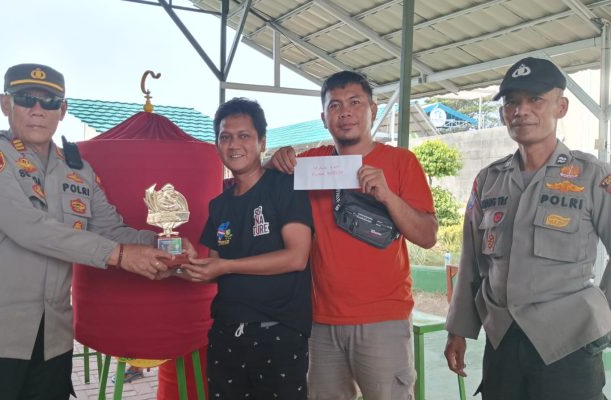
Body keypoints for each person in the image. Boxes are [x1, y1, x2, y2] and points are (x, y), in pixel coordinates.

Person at [0, 63, 195, 400]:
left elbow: (110, 229)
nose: (37, 110)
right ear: (5, 104)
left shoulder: (79, 170)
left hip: (51, 339)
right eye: (25, 98)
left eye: (49, 102)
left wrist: (164, 243)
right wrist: (120, 256)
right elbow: (27, 227)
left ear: (62, 110)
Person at [444, 57, 611, 400]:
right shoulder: (488, 180)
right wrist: (457, 329)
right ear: (503, 113)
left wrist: (603, 316)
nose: (521, 111)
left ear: (561, 107)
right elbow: (471, 262)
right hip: (502, 340)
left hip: (568, 343)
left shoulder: (592, 176)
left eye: (535, 99)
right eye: (512, 102)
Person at [268, 71, 438, 400]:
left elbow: (428, 235)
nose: (345, 112)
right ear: (324, 118)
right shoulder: (311, 163)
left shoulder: (401, 162)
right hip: (321, 321)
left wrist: (388, 197)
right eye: (335, 105)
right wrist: (274, 160)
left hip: (383, 319)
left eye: (355, 102)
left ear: (372, 110)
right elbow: (262, 177)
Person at [182, 98, 314, 399]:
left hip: (278, 331)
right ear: (217, 145)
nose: (234, 145)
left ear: (262, 142)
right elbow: (212, 269)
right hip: (226, 331)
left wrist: (228, 266)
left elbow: (297, 257)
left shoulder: (285, 186)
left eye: (244, 136)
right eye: (225, 137)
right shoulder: (219, 205)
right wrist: (180, 264)